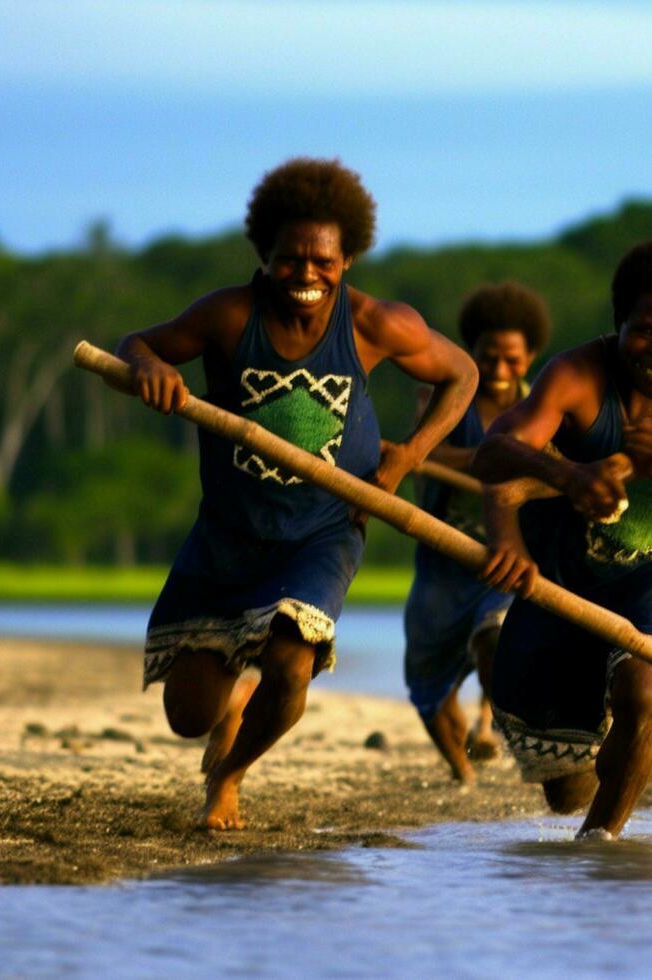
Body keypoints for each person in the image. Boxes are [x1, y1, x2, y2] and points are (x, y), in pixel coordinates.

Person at [115, 158, 476, 830]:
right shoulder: (227, 316)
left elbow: (462, 373)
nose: (307, 275)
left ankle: (229, 776)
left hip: (324, 531)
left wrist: (408, 454)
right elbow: (135, 343)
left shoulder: (374, 324)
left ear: (348, 260)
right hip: (227, 535)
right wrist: (151, 368)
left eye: (324, 262)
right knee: (187, 717)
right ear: (265, 256)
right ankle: (225, 709)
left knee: (290, 666)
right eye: (290, 261)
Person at [472, 234, 652, 839]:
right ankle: (588, 773)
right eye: (650, 330)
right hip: (563, 582)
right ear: (619, 322)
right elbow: (494, 453)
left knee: (643, 688)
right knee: (563, 791)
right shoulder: (577, 376)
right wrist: (569, 475)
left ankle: (600, 844)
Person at [403, 281, 551, 784]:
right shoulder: (444, 396)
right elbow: (420, 452)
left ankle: (504, 730)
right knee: (427, 683)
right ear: (472, 353)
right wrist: (502, 458)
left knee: (497, 637)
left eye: (512, 358)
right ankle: (461, 770)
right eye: (489, 356)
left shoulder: (543, 408)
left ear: (530, 356)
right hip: (445, 557)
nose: (500, 368)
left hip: (506, 555)